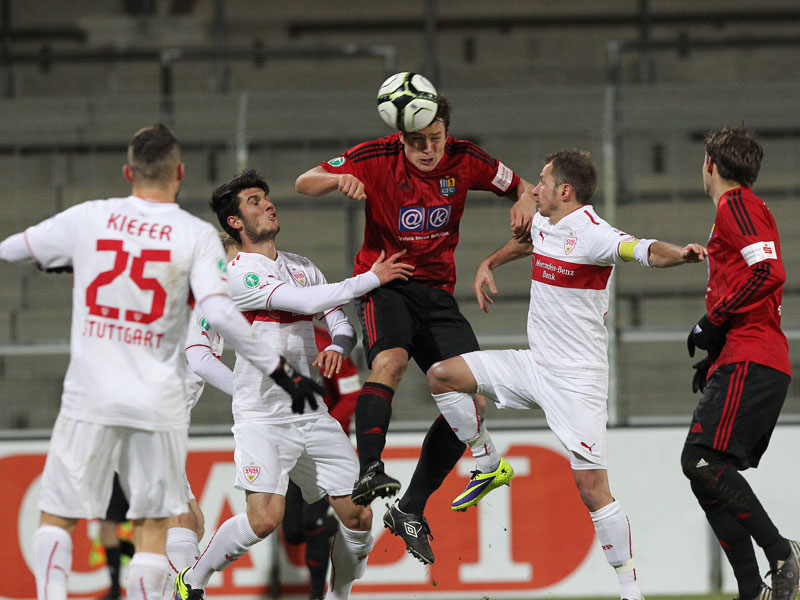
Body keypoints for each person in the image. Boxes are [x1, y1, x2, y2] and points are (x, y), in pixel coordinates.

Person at [0, 124, 318, 600]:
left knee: (59, 513)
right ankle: (180, 593)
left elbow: (13, 249)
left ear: (129, 172)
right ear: (180, 173)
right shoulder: (194, 239)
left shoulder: (92, 218)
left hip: (90, 391)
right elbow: (222, 321)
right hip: (153, 404)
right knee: (163, 524)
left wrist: (61, 261)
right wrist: (278, 375)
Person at [425, 149, 707, 600]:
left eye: (541, 180)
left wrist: (685, 254)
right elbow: (530, 241)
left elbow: (641, 249)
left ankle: (630, 592)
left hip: (579, 380)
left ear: (564, 190)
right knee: (442, 375)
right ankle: (487, 463)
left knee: (591, 489)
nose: (534, 188)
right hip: (535, 363)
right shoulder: (545, 222)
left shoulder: (594, 234)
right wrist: (489, 264)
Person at [295, 93, 535, 565]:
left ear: (447, 133)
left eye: (435, 139)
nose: (428, 149)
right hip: (388, 283)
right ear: (400, 137)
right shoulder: (377, 155)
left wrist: (525, 201)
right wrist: (338, 179)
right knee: (392, 360)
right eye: (417, 141)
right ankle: (370, 469)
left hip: (438, 293)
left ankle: (409, 509)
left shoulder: (466, 159)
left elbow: (523, 185)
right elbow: (305, 181)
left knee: (472, 397)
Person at [173, 170, 413, 600]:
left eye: (266, 197)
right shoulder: (239, 274)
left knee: (358, 517)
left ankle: (338, 597)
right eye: (253, 201)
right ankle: (192, 581)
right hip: (263, 418)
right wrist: (374, 277)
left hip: (311, 413)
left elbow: (340, 322)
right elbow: (306, 304)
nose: (267, 203)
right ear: (235, 223)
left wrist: (339, 345)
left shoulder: (303, 267)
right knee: (265, 519)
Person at [681, 126, 798, 600]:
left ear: (709, 163)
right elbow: (754, 276)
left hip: (754, 354)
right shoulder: (746, 209)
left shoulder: (737, 205)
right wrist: (714, 351)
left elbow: (769, 273)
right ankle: (752, 591)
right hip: (745, 354)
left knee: (703, 461)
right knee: (702, 470)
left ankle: (781, 553)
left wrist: (715, 320)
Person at [281, 326, 361, 600]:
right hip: (288, 449)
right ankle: (328, 526)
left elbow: (351, 396)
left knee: (311, 522)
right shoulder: (270, 337)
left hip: (320, 451)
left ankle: (318, 595)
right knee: (291, 531)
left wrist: (318, 430)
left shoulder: (326, 343)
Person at [99, 475, 136, 600]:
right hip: (110, 474)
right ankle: (115, 590)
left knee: (108, 529)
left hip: (116, 472)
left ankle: (115, 590)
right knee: (106, 533)